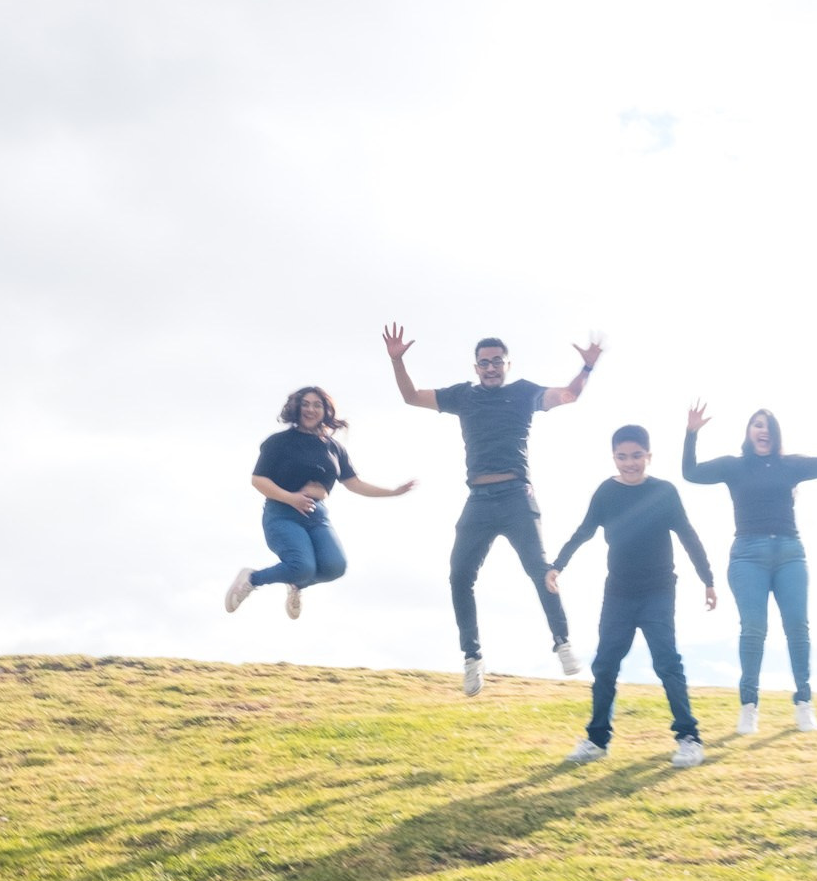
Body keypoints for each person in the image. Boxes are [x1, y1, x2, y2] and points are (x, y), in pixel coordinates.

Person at [384, 323, 601, 696]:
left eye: (497, 361)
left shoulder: (523, 393)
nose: (490, 367)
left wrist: (587, 368)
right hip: (479, 500)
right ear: (475, 367)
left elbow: (567, 396)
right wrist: (397, 361)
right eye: (484, 362)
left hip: (517, 495)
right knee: (459, 576)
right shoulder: (463, 397)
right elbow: (411, 397)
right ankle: (473, 658)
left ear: (506, 364)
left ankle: (562, 642)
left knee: (540, 570)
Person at [682, 396, 817, 733]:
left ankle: (804, 703)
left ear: (776, 435)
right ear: (749, 432)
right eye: (757, 425)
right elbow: (690, 473)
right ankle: (749, 706)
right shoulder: (734, 466)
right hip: (748, 556)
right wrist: (691, 433)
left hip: (790, 553)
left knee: (798, 627)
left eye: (768, 426)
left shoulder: (790, 464)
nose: (763, 431)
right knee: (754, 629)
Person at [548, 425, 717, 769]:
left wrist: (708, 580)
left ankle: (689, 738)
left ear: (648, 456)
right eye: (622, 457)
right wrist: (557, 566)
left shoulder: (664, 492)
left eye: (637, 456)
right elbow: (583, 531)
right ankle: (597, 740)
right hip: (619, 593)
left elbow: (688, 536)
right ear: (614, 458)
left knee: (667, 662)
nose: (630, 463)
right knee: (605, 665)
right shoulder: (606, 493)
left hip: (658, 591)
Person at [224, 386, 415, 620]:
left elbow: (354, 483)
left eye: (317, 405)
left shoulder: (334, 448)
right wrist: (290, 498)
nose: (311, 409)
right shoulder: (279, 442)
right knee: (302, 567)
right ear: (296, 408)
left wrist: (393, 492)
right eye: (305, 404)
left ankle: (297, 586)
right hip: (282, 512)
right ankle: (252, 579)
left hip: (316, 516)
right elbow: (258, 480)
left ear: (326, 411)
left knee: (335, 566)